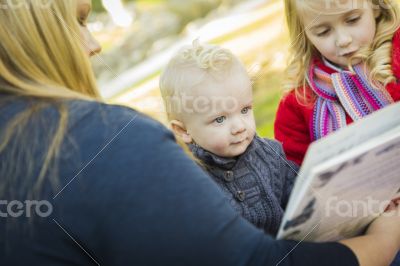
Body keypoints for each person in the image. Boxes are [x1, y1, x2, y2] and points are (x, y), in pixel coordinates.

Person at [1, 0, 400, 265]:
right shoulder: (115, 148)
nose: (94, 46)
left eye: (244, 110)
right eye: (79, 21)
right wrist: (382, 242)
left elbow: (304, 195)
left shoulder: (266, 153)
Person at [159, 41, 298, 236]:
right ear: (183, 131)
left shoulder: (271, 155)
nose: (240, 127)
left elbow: (300, 197)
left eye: (244, 110)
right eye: (220, 119)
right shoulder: (190, 181)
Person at [274, 0, 400, 165]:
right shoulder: (297, 106)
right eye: (323, 31)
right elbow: (294, 177)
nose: (343, 40)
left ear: (375, 7)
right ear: (305, 35)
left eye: (353, 20)